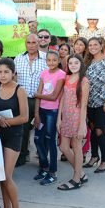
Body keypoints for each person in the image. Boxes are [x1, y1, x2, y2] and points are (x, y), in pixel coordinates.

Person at [0, 59, 28, 208]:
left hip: (14, 135)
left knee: (7, 176)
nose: (3, 75)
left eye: (6, 72)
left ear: (13, 73)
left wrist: (6, 121)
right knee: (0, 177)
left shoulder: (19, 90)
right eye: (0, 72)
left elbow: (24, 117)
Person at [83, 37, 105, 173]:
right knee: (92, 130)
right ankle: (94, 156)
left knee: (100, 131)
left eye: (95, 44)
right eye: (90, 45)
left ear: (101, 45)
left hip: (104, 102)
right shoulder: (88, 62)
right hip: (90, 102)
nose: (92, 47)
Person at [57, 54, 90, 190]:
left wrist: (82, 125)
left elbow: (84, 105)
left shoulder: (84, 81)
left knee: (77, 148)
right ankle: (80, 172)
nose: (73, 65)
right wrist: (59, 118)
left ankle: (76, 179)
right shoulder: (67, 77)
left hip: (77, 118)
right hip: (66, 117)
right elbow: (63, 98)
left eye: (76, 63)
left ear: (81, 64)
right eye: (71, 63)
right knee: (63, 147)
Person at [14, 34, 48, 166]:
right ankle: (21, 157)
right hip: (22, 100)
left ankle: (43, 158)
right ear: (25, 43)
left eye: (34, 42)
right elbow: (14, 77)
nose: (31, 45)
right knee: (22, 130)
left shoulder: (46, 59)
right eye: (28, 42)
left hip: (40, 99)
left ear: (38, 43)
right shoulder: (18, 58)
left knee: (41, 129)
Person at [33, 51, 65, 185]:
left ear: (58, 61)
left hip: (52, 111)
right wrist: (36, 113)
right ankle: (44, 167)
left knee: (50, 141)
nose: (51, 62)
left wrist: (38, 95)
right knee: (37, 139)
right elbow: (39, 94)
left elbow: (53, 96)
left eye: (54, 60)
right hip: (41, 111)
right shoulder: (44, 73)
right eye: (49, 60)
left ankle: (52, 172)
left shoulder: (61, 74)